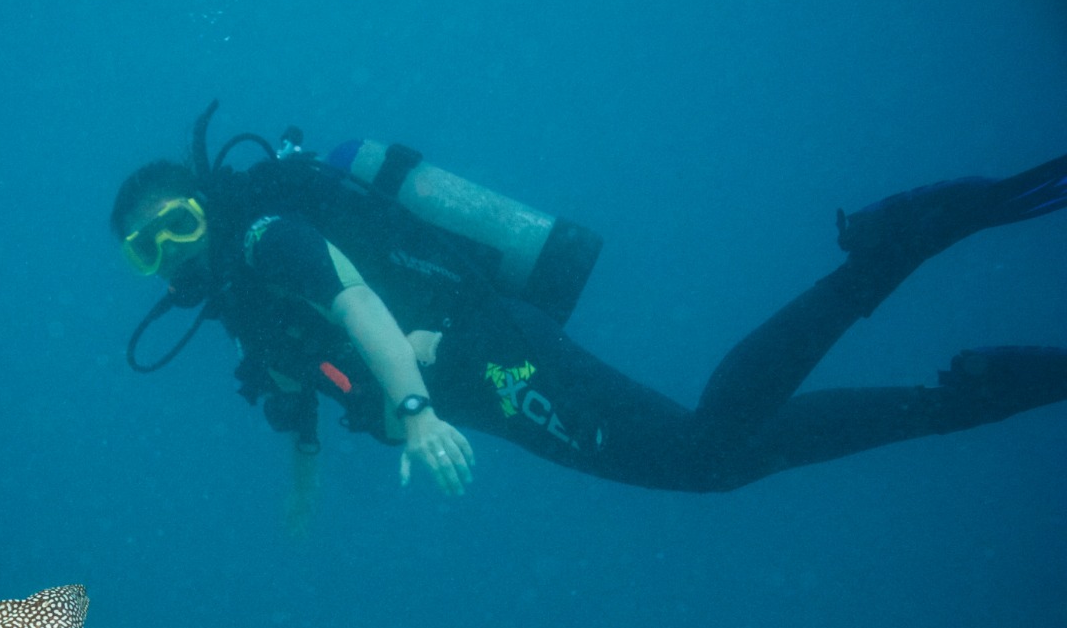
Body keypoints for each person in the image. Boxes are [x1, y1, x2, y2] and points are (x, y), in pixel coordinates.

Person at [111, 112, 1066, 515]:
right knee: (720, 457)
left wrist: (416, 412)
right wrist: (303, 485)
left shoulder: (263, 237)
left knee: (703, 452)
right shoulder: (238, 299)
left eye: (179, 222)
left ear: (208, 204)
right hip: (481, 374)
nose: (173, 252)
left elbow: (355, 301)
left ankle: (891, 261)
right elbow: (301, 377)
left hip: (489, 357)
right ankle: (958, 392)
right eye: (147, 249)